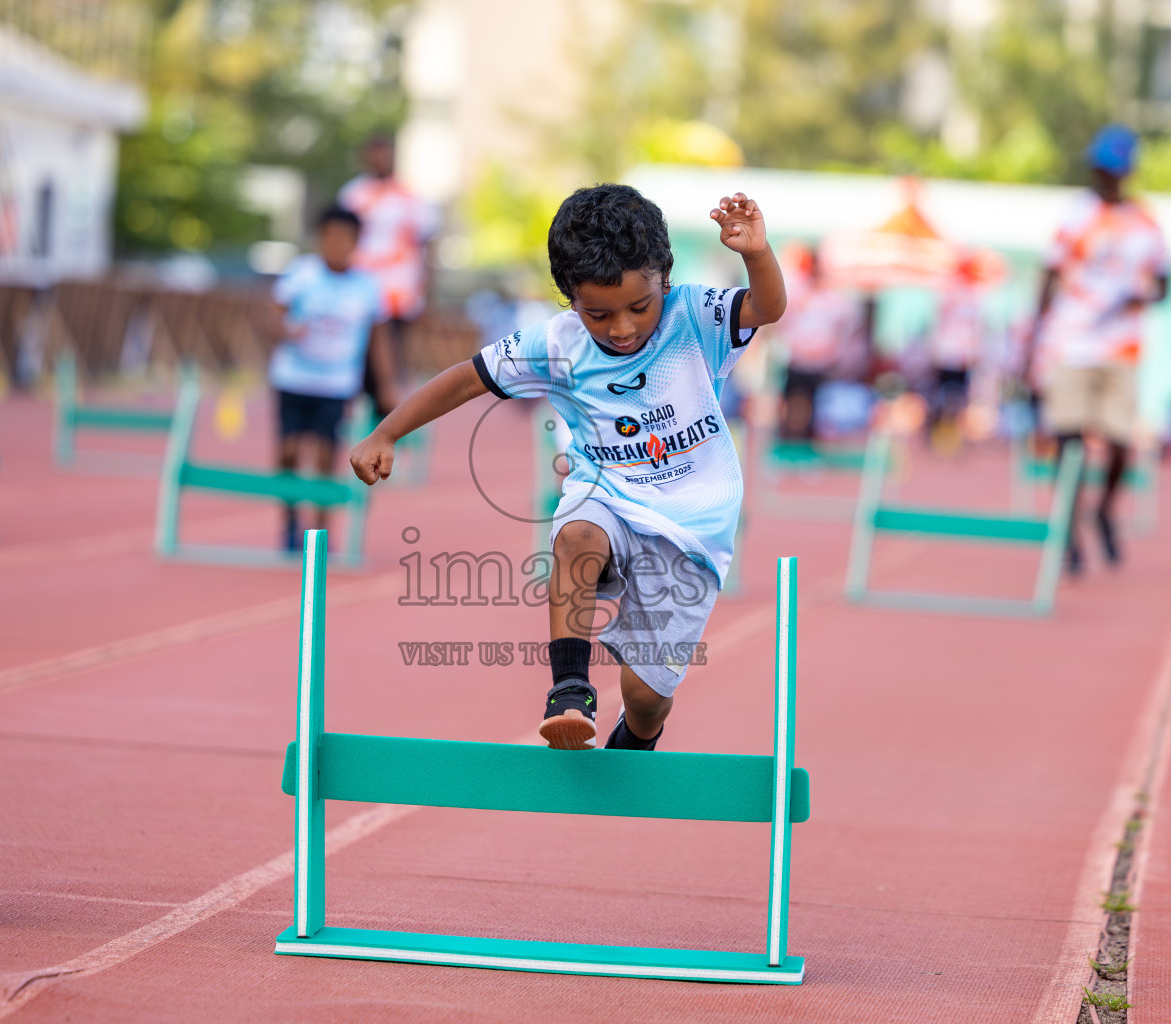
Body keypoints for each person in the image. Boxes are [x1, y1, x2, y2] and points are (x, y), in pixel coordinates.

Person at [350, 184, 785, 751]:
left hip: (692, 521)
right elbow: (464, 378)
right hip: (606, 495)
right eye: (599, 313)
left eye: (639, 307)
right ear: (570, 299)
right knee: (577, 535)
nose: (622, 329)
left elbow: (768, 308)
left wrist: (755, 253)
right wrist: (387, 432)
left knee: (646, 693)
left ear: (665, 280)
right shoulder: (557, 343)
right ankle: (570, 691)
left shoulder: (695, 317)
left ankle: (638, 732)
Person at [1025, 124, 1169, 575]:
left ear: (1126, 172)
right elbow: (1049, 275)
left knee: (1120, 443)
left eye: (1112, 170)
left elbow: (1165, 284)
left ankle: (1104, 509)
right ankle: (1068, 533)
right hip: (1071, 344)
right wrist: (1033, 339)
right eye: (1100, 168)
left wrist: (1138, 298)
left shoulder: (1146, 222)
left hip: (1121, 348)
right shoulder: (1075, 214)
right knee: (1069, 443)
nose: (1104, 177)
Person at [270, 207, 397, 552]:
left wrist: (386, 385)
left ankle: (318, 534)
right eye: (331, 237)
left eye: (347, 238)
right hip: (293, 377)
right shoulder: (300, 275)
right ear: (320, 238)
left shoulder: (367, 286)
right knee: (288, 451)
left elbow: (378, 340)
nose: (338, 245)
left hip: (337, 383)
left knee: (327, 457)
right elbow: (273, 315)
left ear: (356, 242)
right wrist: (285, 330)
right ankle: (290, 523)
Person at [338, 135, 437, 417]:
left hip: (398, 296)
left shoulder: (411, 197)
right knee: (362, 362)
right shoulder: (354, 195)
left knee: (391, 363)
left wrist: (427, 294)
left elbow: (426, 245)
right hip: (359, 293)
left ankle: (387, 419)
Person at [773, 243, 864, 440]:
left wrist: (836, 350)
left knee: (814, 406)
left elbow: (849, 325)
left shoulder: (834, 297)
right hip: (798, 359)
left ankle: (805, 441)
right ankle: (788, 438)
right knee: (791, 401)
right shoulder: (796, 291)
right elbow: (779, 323)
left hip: (820, 362)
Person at [925, 253, 988, 449]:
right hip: (950, 354)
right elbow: (940, 325)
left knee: (955, 396)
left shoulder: (972, 297)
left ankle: (950, 434)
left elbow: (975, 329)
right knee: (945, 395)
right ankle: (939, 433)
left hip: (959, 355)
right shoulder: (953, 295)